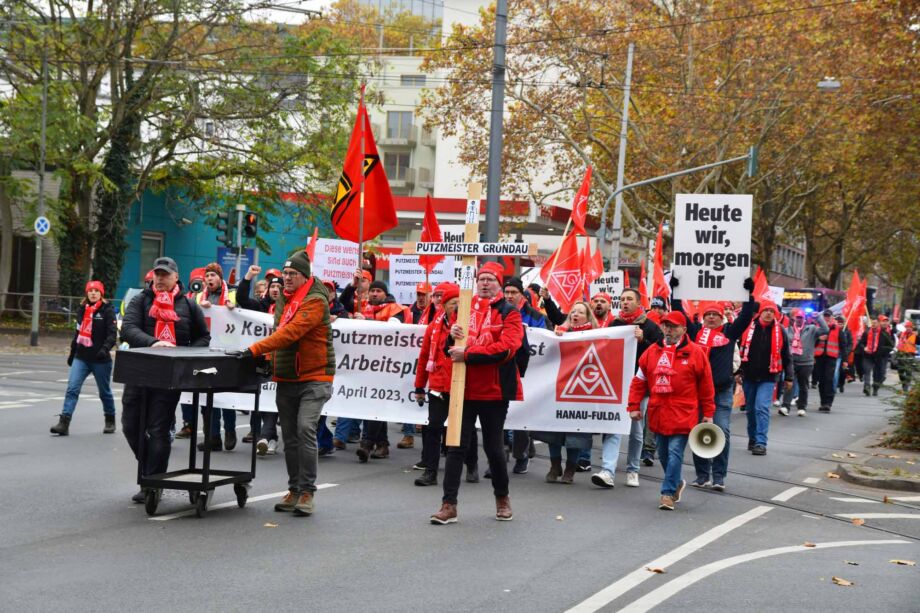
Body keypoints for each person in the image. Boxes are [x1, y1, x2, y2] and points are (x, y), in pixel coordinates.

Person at [241, 249, 335, 517]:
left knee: (305, 428)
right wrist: (267, 358)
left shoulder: (316, 301)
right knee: (290, 436)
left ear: (305, 276)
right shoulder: (284, 298)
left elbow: (290, 333)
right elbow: (277, 331)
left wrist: (254, 349)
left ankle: (307, 491)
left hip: (315, 377)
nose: (287, 278)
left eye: (293, 274)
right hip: (287, 377)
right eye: (285, 273)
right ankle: (294, 489)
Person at [430, 262, 525, 525]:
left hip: (494, 391)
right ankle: (448, 505)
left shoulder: (510, 313)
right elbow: (448, 347)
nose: (484, 283)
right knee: (455, 446)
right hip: (462, 388)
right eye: (481, 278)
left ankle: (502, 499)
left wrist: (468, 353)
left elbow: (507, 348)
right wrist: (452, 337)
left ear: (499, 284)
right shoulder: (463, 309)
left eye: (490, 280)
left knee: (493, 448)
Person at [121, 257, 210, 503]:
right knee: (130, 426)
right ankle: (151, 471)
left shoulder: (190, 306)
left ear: (175, 277)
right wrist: (153, 342)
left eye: (165, 275)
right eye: (157, 274)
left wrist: (184, 355)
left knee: (158, 429)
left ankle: (152, 482)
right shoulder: (141, 300)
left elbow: (203, 338)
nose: (160, 279)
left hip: (169, 377)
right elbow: (127, 328)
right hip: (139, 373)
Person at [672, 277, 755, 491]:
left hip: (721, 392)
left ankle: (719, 477)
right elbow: (679, 314)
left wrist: (748, 295)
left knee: (721, 432)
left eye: (715, 315)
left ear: (721, 318)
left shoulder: (729, 333)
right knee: (700, 432)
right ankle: (702, 475)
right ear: (702, 317)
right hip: (697, 393)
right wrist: (676, 291)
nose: (710, 317)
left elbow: (746, 317)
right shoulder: (694, 333)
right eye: (707, 314)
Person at [627, 310, 715, 510]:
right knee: (664, 455)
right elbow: (639, 381)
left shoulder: (696, 353)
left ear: (683, 330)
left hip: (684, 413)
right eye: (665, 325)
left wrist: (708, 413)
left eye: (673, 326)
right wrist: (633, 406)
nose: (668, 329)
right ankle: (676, 483)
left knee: (675, 452)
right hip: (658, 413)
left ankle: (667, 493)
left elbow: (706, 386)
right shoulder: (651, 352)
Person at [591, 288, 662, 489]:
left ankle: (633, 469)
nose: (625, 302)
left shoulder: (650, 326)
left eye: (629, 299)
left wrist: (643, 341)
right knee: (613, 427)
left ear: (638, 303)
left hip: (640, 387)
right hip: (616, 385)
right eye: (622, 299)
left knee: (636, 429)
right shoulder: (616, 325)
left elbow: (658, 354)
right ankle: (608, 471)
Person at [413, 283, 479, 486]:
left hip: (463, 385)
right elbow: (424, 357)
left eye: (460, 302)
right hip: (438, 385)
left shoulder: (472, 326)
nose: (457, 306)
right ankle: (431, 471)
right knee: (433, 427)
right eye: (453, 303)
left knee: (465, 430)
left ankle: (472, 465)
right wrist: (419, 387)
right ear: (445, 305)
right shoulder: (434, 327)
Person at [536, 302, 597, 484]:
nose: (575, 314)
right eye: (573, 312)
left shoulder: (596, 335)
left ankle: (570, 467)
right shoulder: (559, 333)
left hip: (581, 390)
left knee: (576, 431)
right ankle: (555, 465)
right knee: (553, 429)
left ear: (588, 317)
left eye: (580, 312)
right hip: (558, 387)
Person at [50, 280, 118, 436]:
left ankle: (110, 419)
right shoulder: (82, 310)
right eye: (90, 290)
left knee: (104, 392)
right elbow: (78, 333)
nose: (93, 293)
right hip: (81, 358)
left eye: (96, 291)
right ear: (86, 293)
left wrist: (104, 349)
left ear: (101, 294)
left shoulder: (107, 310)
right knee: (72, 388)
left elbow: (112, 335)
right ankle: (64, 422)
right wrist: (72, 353)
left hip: (100, 360)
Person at [353, 279, 405, 461]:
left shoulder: (395, 309)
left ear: (385, 293)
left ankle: (366, 444)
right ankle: (382, 445)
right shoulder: (364, 307)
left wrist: (365, 321)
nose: (374, 294)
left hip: (388, 365)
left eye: (378, 291)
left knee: (375, 403)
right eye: (372, 291)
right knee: (374, 403)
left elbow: (391, 330)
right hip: (368, 364)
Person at [502, 275, 547, 474]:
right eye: (507, 292)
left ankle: (521, 456)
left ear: (523, 296)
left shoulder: (537, 318)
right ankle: (501, 455)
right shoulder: (497, 312)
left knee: (521, 417)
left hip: (527, 373)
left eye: (514, 293)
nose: (510, 296)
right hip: (502, 370)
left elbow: (545, 343)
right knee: (500, 416)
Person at [193, 262, 239, 451]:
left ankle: (229, 431)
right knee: (207, 398)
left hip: (226, 351)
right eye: (207, 275)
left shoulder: (233, 294)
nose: (210, 278)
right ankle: (213, 437)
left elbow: (243, 315)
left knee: (226, 396)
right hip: (206, 351)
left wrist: (234, 307)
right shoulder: (198, 297)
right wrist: (200, 308)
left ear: (220, 278)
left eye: (213, 275)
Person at [739, 302, 794, 455]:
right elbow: (738, 351)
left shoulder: (780, 330)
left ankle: (761, 443)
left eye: (772, 311)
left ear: (776, 314)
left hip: (768, 377)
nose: (769, 313)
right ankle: (753, 438)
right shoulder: (748, 328)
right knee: (750, 410)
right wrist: (737, 372)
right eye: (766, 310)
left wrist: (789, 377)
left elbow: (787, 356)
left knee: (761, 408)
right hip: (749, 376)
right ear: (760, 312)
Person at [781, 308, 828, 416]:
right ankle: (785, 407)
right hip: (791, 362)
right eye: (797, 317)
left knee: (803, 385)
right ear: (793, 318)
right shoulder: (787, 330)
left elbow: (825, 330)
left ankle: (802, 407)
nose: (799, 320)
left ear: (804, 319)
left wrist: (818, 318)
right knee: (789, 384)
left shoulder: (811, 329)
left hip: (806, 362)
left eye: (801, 317)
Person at [814, 309, 851, 412]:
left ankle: (828, 403)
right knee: (821, 381)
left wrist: (845, 360)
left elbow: (843, 346)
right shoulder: (817, 328)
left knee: (829, 379)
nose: (826, 318)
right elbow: (811, 342)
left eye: (828, 316)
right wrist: (819, 339)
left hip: (831, 357)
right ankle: (823, 402)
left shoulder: (838, 329)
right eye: (825, 316)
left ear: (832, 317)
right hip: (819, 357)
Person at [858, 316, 895, 396]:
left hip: (880, 356)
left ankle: (875, 387)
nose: (873, 324)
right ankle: (867, 387)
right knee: (867, 370)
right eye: (872, 323)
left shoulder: (884, 333)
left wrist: (883, 350)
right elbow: (861, 343)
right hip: (868, 355)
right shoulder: (866, 332)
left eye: (875, 322)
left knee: (880, 374)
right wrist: (864, 348)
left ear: (878, 323)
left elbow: (891, 345)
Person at [893, 321, 917, 392]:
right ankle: (903, 382)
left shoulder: (915, 336)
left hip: (910, 355)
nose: (908, 328)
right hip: (901, 354)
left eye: (909, 327)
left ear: (912, 328)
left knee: (908, 371)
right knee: (900, 371)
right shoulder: (901, 334)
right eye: (907, 327)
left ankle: (906, 385)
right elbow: (894, 333)